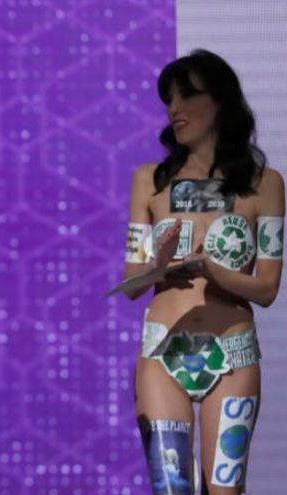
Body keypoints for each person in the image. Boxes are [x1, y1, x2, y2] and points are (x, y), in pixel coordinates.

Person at [122, 49, 283, 494]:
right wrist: (159, 268)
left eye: (187, 95)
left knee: (225, 490)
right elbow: (131, 281)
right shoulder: (149, 180)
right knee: (171, 488)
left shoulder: (264, 184)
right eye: (169, 99)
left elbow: (267, 288)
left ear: (221, 101)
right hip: (162, 352)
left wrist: (213, 270)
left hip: (233, 352)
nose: (175, 108)